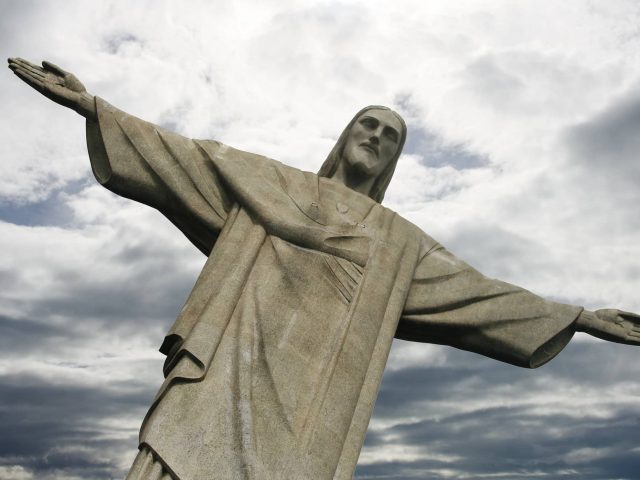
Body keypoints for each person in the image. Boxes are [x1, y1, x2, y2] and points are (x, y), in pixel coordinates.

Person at [8, 58, 640, 480]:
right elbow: (184, 158)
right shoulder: (268, 182)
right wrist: (92, 107)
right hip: (223, 370)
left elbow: (476, 295)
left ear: (394, 159)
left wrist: (578, 317)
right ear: (344, 135)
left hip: (311, 411)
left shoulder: (400, 245)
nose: (377, 137)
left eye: (391, 136)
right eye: (369, 124)